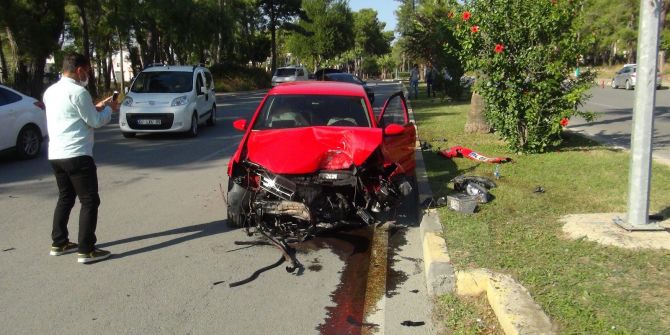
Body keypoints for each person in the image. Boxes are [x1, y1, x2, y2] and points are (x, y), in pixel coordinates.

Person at [44, 52, 119, 264]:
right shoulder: (79, 92)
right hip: (77, 154)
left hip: (56, 154)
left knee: (65, 197)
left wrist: (97, 107)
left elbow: (70, 116)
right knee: (90, 201)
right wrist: (110, 110)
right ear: (79, 70)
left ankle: (59, 242)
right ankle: (87, 249)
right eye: (87, 71)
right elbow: (94, 122)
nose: (88, 75)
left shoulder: (50, 92)